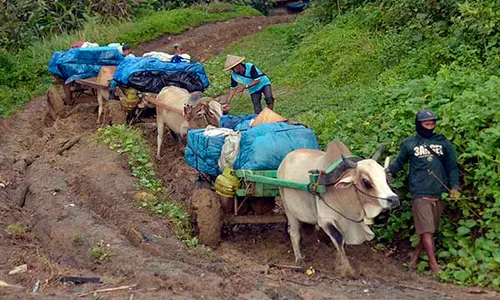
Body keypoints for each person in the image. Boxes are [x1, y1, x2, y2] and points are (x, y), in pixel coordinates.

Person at [387, 109, 460, 273]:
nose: (430, 126)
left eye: (432, 123)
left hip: (439, 192)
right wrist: (386, 173)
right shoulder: (409, 143)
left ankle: (414, 257)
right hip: (419, 192)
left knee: (428, 229)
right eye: (426, 124)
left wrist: (454, 187)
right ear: (419, 125)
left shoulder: (443, 143)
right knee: (427, 230)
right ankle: (435, 267)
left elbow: (452, 167)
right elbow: (399, 163)